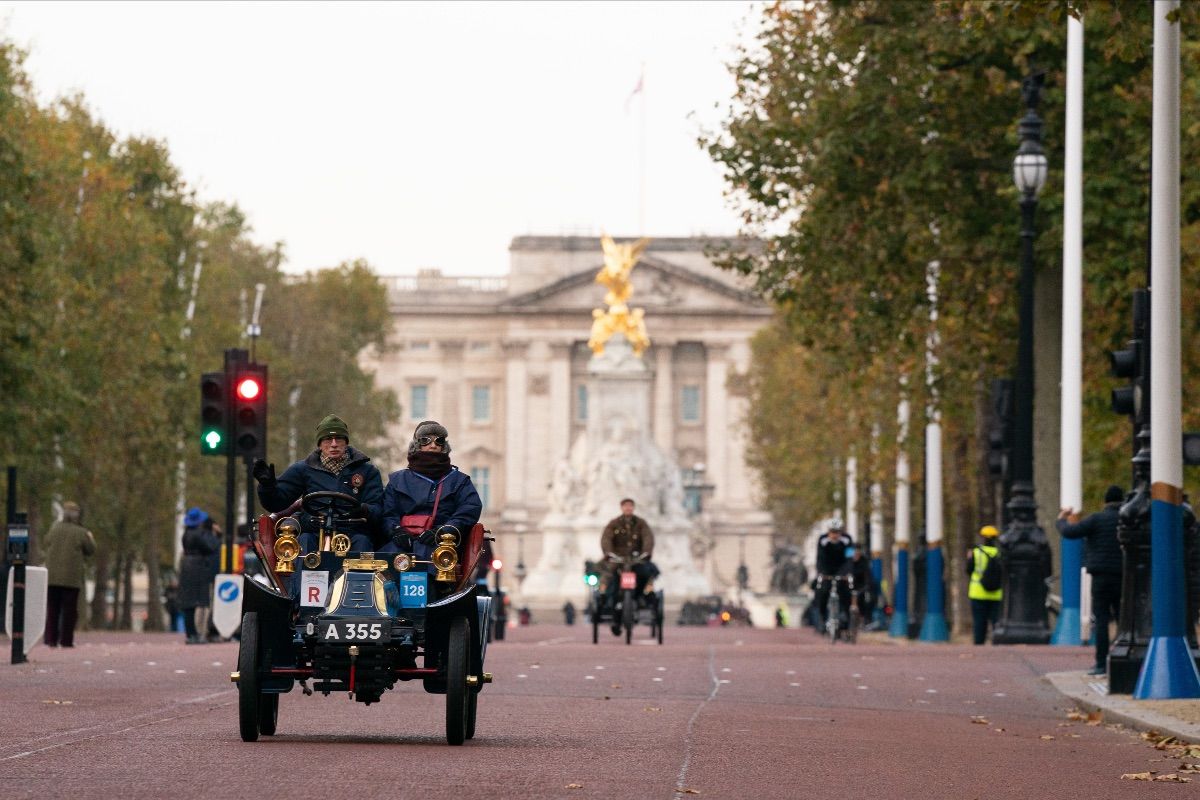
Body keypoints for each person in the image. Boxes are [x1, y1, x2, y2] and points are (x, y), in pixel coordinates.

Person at [253, 414, 384, 553]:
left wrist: (363, 509)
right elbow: (276, 503)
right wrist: (267, 486)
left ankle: (358, 575)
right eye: (328, 439)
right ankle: (304, 575)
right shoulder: (303, 469)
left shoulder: (367, 471)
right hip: (313, 534)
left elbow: (378, 510)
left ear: (346, 442)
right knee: (304, 541)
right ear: (320, 444)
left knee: (363, 542)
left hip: (352, 534)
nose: (334, 444)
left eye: (338, 438)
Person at [380, 421, 482, 590]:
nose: (433, 444)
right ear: (416, 445)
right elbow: (387, 513)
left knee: (432, 559)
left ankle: (426, 608)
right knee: (381, 561)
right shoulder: (397, 480)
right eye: (426, 440)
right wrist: (396, 530)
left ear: (444, 447)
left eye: (439, 440)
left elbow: (469, 509)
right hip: (402, 540)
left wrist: (444, 530)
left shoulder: (459, 480)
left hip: (440, 542)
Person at [1057, 485, 1125, 675]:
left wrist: (1061, 520)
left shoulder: (1097, 519)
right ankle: (1123, 657)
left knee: (1101, 620)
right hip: (1123, 577)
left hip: (1100, 576)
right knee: (1123, 620)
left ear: (1106, 501)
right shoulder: (1127, 520)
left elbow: (1070, 533)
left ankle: (1101, 663)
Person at [599, 498, 659, 635]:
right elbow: (606, 539)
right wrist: (608, 553)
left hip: (636, 559)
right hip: (618, 560)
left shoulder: (640, 523)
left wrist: (646, 553)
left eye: (630, 506)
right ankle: (607, 601)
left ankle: (645, 593)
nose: (628, 509)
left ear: (633, 508)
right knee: (610, 579)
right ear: (621, 508)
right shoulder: (614, 524)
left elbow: (648, 538)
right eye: (626, 506)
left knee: (647, 573)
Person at [41, 501, 96, 648]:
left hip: (52, 577)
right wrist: (90, 536)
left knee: (52, 609)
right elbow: (91, 549)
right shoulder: (81, 532)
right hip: (71, 578)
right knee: (69, 611)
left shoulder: (54, 529)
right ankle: (66, 640)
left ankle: (51, 639)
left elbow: (46, 542)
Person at [178, 508, 218, 644]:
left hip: (187, 566)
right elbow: (211, 548)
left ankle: (190, 634)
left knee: (188, 602)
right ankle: (197, 634)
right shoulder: (200, 534)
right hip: (198, 567)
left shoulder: (186, 533)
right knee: (199, 600)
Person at [966, 525, 1003, 645]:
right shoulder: (1000, 554)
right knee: (996, 621)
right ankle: (997, 643)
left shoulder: (976, 553)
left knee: (979, 621)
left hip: (977, 592)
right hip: (996, 593)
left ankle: (979, 645)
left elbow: (969, 570)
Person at [813, 524, 853, 631]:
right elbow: (820, 558)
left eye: (837, 532)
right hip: (827, 569)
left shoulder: (847, 540)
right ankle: (822, 616)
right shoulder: (822, 540)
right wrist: (821, 572)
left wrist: (847, 572)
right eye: (832, 532)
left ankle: (845, 616)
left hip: (841, 568)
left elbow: (849, 559)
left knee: (845, 591)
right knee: (823, 591)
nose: (834, 535)